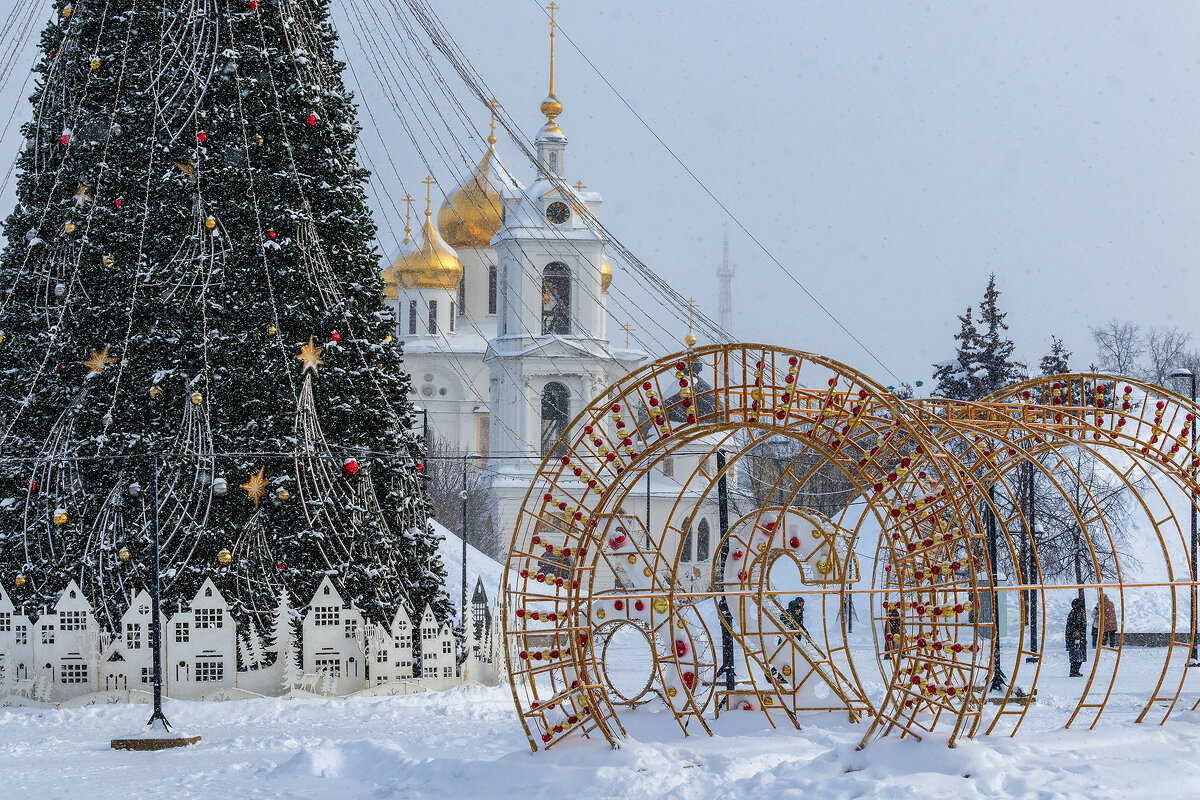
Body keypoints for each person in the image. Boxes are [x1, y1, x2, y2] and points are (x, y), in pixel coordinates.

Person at [1066, 596, 1088, 677]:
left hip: (1075, 637)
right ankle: (1074, 670)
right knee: (1077, 654)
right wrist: (1079, 636)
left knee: (1076, 654)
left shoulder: (1074, 612)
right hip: (1077, 637)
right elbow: (1079, 625)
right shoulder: (1077, 613)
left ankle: (1074, 670)